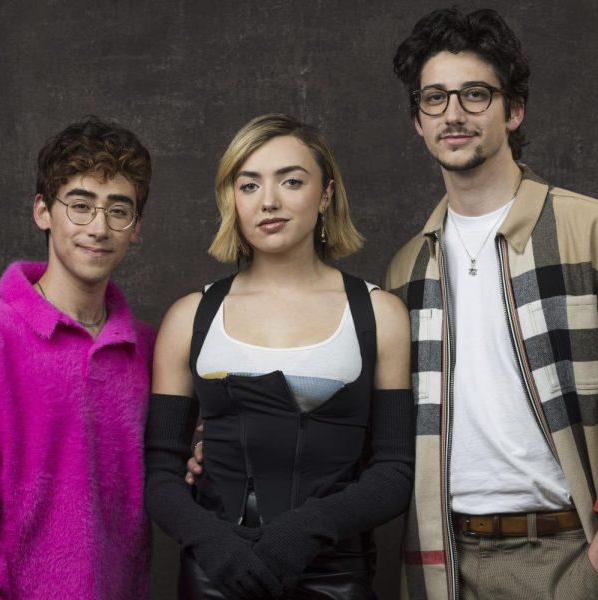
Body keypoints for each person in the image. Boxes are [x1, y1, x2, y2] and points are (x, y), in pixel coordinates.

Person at [384, 7, 598, 600]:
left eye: (474, 94)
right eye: (434, 99)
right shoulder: (406, 270)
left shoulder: (597, 231)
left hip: (580, 550)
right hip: (448, 565)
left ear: (512, 110)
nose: (453, 114)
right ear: (417, 121)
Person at [145, 113, 415, 599]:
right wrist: (216, 546)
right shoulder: (190, 317)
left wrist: (302, 534)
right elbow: (161, 475)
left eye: (291, 181)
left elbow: (395, 470)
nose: (268, 201)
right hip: (215, 573)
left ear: (326, 194)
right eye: (248, 185)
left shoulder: (380, 314)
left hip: (336, 575)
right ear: (232, 199)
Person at [0, 116, 155, 599]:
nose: (99, 227)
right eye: (80, 205)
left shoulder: (147, 349)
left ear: (136, 229)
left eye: (119, 210)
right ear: (43, 211)